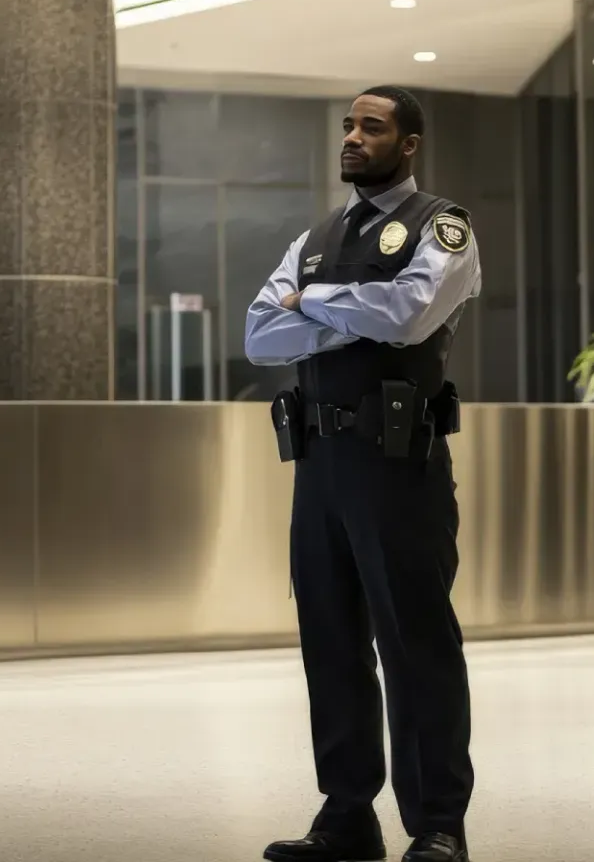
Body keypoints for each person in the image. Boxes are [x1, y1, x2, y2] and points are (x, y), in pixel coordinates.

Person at [244, 86, 480, 862]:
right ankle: (347, 814)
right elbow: (259, 334)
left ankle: (438, 824)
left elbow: (409, 314)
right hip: (320, 466)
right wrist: (342, 304)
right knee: (331, 641)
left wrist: (310, 302)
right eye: (348, 125)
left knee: (415, 642)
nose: (352, 137)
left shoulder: (442, 226)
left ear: (407, 143)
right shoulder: (315, 238)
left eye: (371, 127)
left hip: (398, 465)